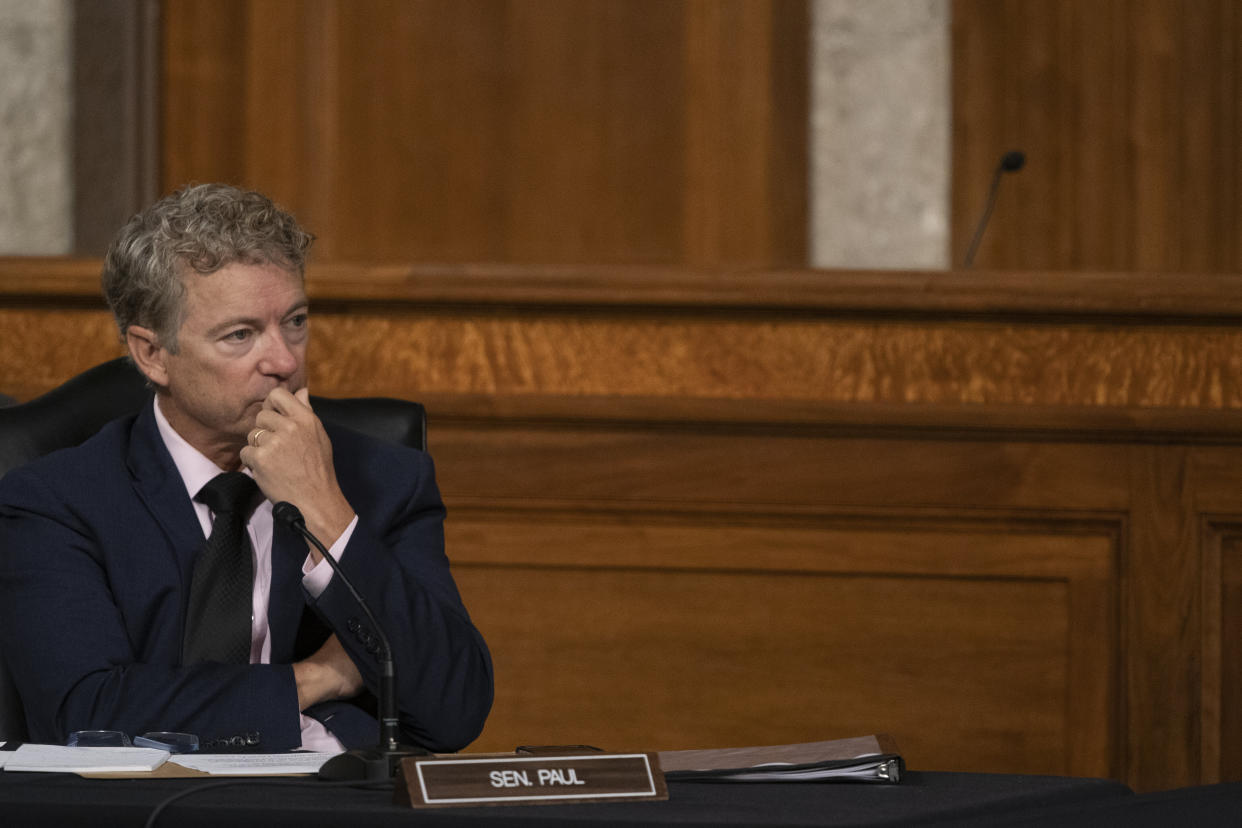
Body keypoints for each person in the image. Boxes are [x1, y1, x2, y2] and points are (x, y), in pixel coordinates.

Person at [0, 184, 492, 752]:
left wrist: (327, 509)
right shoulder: (55, 501)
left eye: (296, 322)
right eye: (241, 335)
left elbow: (455, 709)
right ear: (151, 353)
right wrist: (317, 679)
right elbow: (87, 715)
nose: (284, 361)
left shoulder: (384, 482)